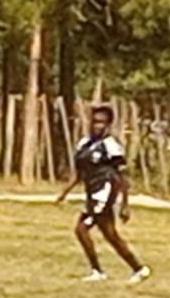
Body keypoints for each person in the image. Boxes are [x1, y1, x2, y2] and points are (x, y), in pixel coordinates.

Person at [56, 104, 147, 281]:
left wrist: (125, 205)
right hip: (92, 192)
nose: (97, 125)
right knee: (110, 234)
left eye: (101, 122)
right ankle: (138, 268)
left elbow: (122, 176)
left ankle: (97, 271)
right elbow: (79, 173)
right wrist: (64, 192)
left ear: (108, 125)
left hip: (105, 190)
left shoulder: (111, 146)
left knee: (82, 229)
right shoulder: (84, 143)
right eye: (95, 121)